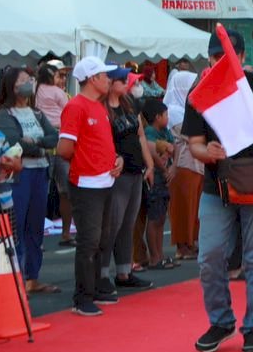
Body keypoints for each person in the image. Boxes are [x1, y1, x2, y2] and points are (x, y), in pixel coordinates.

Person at [184, 30, 253, 352]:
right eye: (213, 58)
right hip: (217, 186)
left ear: (240, 56)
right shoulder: (201, 90)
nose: (218, 63)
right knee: (210, 256)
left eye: (224, 57)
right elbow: (194, 143)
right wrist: (207, 152)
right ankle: (221, 320)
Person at [56, 57, 125, 317]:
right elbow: (64, 148)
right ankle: (82, 296)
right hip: (86, 182)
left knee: (102, 238)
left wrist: (115, 159)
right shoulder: (76, 106)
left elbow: (101, 143)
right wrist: (87, 161)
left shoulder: (98, 106)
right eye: (105, 76)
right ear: (93, 79)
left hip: (104, 180)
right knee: (89, 240)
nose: (109, 79)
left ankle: (94, 288)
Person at [0, 66, 60, 295]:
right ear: (12, 86)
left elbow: (54, 138)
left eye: (30, 79)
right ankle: (16, 277)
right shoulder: (5, 114)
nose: (29, 83)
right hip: (20, 176)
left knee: (35, 227)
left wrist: (34, 142)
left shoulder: (37, 113)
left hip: (40, 172)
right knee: (17, 226)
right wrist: (37, 144)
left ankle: (32, 277)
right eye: (24, 80)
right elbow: (13, 142)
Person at [101, 68, 153, 297]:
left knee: (127, 223)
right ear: (111, 83)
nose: (127, 84)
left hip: (135, 170)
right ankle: (101, 274)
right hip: (116, 173)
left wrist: (149, 163)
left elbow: (141, 134)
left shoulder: (128, 103)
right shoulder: (103, 109)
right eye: (122, 80)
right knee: (111, 225)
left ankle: (124, 271)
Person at [163, 69, 202, 261]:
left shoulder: (186, 109)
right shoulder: (173, 111)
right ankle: (182, 245)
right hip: (182, 163)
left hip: (194, 162)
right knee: (183, 205)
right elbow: (189, 134)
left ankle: (191, 242)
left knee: (194, 206)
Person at [34, 64, 73, 246]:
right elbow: (69, 111)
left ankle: (37, 238)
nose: (62, 80)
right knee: (65, 190)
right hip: (59, 139)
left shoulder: (35, 91)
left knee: (42, 191)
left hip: (42, 140)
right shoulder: (58, 93)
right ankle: (66, 233)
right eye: (60, 75)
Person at [137, 99, 176, 269]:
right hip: (156, 177)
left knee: (161, 218)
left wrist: (172, 166)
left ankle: (159, 255)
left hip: (165, 176)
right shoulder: (150, 131)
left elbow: (175, 147)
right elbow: (153, 151)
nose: (168, 118)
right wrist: (165, 168)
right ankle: (154, 257)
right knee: (154, 218)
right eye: (165, 115)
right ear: (157, 117)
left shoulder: (165, 131)